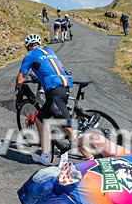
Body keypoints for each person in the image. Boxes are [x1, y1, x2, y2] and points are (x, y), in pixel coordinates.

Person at [14, 33, 93, 165]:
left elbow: (20, 79)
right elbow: (59, 65)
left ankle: (89, 157)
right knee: (40, 120)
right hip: (63, 86)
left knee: (67, 127)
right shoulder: (49, 51)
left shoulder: (29, 55)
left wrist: (18, 89)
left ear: (28, 46)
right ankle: (45, 156)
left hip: (54, 91)